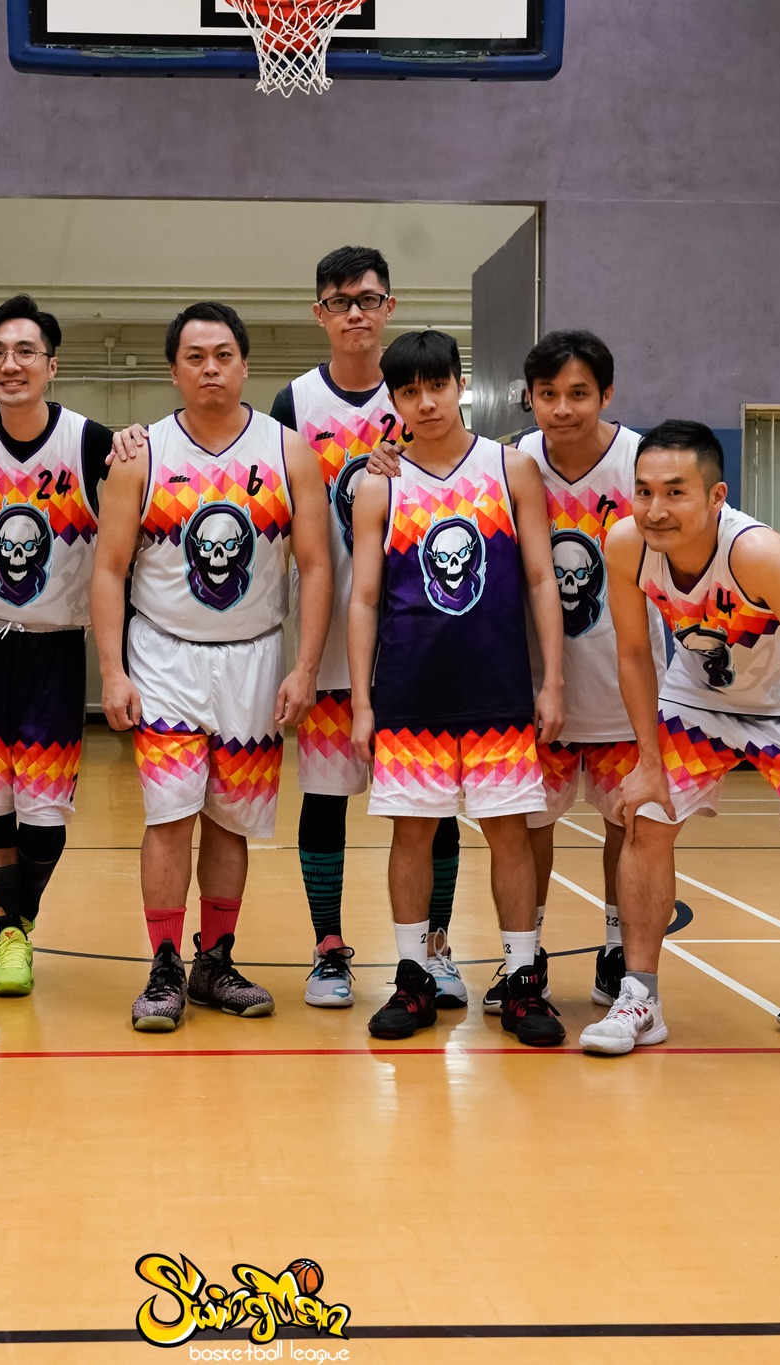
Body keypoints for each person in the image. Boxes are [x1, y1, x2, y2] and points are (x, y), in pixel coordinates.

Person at [587, 422, 780, 1089]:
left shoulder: (754, 553)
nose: (656, 508)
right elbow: (633, 653)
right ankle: (640, 997)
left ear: (716, 496)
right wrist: (647, 762)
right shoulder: (626, 544)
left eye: (675, 491)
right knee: (644, 819)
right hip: (698, 699)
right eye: (644, 491)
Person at [91, 302, 332, 1032]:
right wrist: (112, 671)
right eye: (195, 357)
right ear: (174, 370)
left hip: (256, 656)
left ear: (245, 364)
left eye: (223, 355)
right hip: (164, 656)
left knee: (230, 822)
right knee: (170, 816)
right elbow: (108, 569)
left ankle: (214, 960)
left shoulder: (290, 451)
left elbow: (317, 566)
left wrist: (305, 667)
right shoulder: (141, 455)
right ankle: (164, 966)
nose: (211, 369)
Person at [347, 329, 569, 1047]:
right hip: (410, 695)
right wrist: (362, 702)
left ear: (460, 384)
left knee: (510, 833)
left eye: (437, 385)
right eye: (409, 391)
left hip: (498, 691)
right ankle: (413, 975)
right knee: (412, 833)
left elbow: (541, 579)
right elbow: (364, 599)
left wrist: (553, 680)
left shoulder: (510, 468)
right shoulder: (379, 484)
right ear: (393, 400)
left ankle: (523, 978)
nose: (426, 402)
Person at [270, 247, 466, 1009]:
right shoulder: (294, 403)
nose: (355, 311)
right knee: (326, 797)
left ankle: (437, 947)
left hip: (418, 636)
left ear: (390, 306)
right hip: (328, 639)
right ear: (319, 313)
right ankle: (329, 950)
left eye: (369, 298)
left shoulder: (422, 391)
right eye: (340, 300)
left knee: (430, 804)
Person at [0, 295, 113, 997]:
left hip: (53, 647)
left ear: (51, 364)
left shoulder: (91, 442)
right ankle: (10, 933)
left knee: (44, 814)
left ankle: (14, 922)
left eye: (24, 352)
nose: (10, 364)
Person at [505, 329, 664, 1015]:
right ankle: (526, 956)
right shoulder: (513, 464)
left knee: (627, 824)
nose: (563, 408)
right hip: (537, 683)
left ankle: (617, 950)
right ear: (531, 398)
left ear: (607, 394)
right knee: (527, 826)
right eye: (548, 394)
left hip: (625, 683)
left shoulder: (643, 463)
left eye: (578, 393)